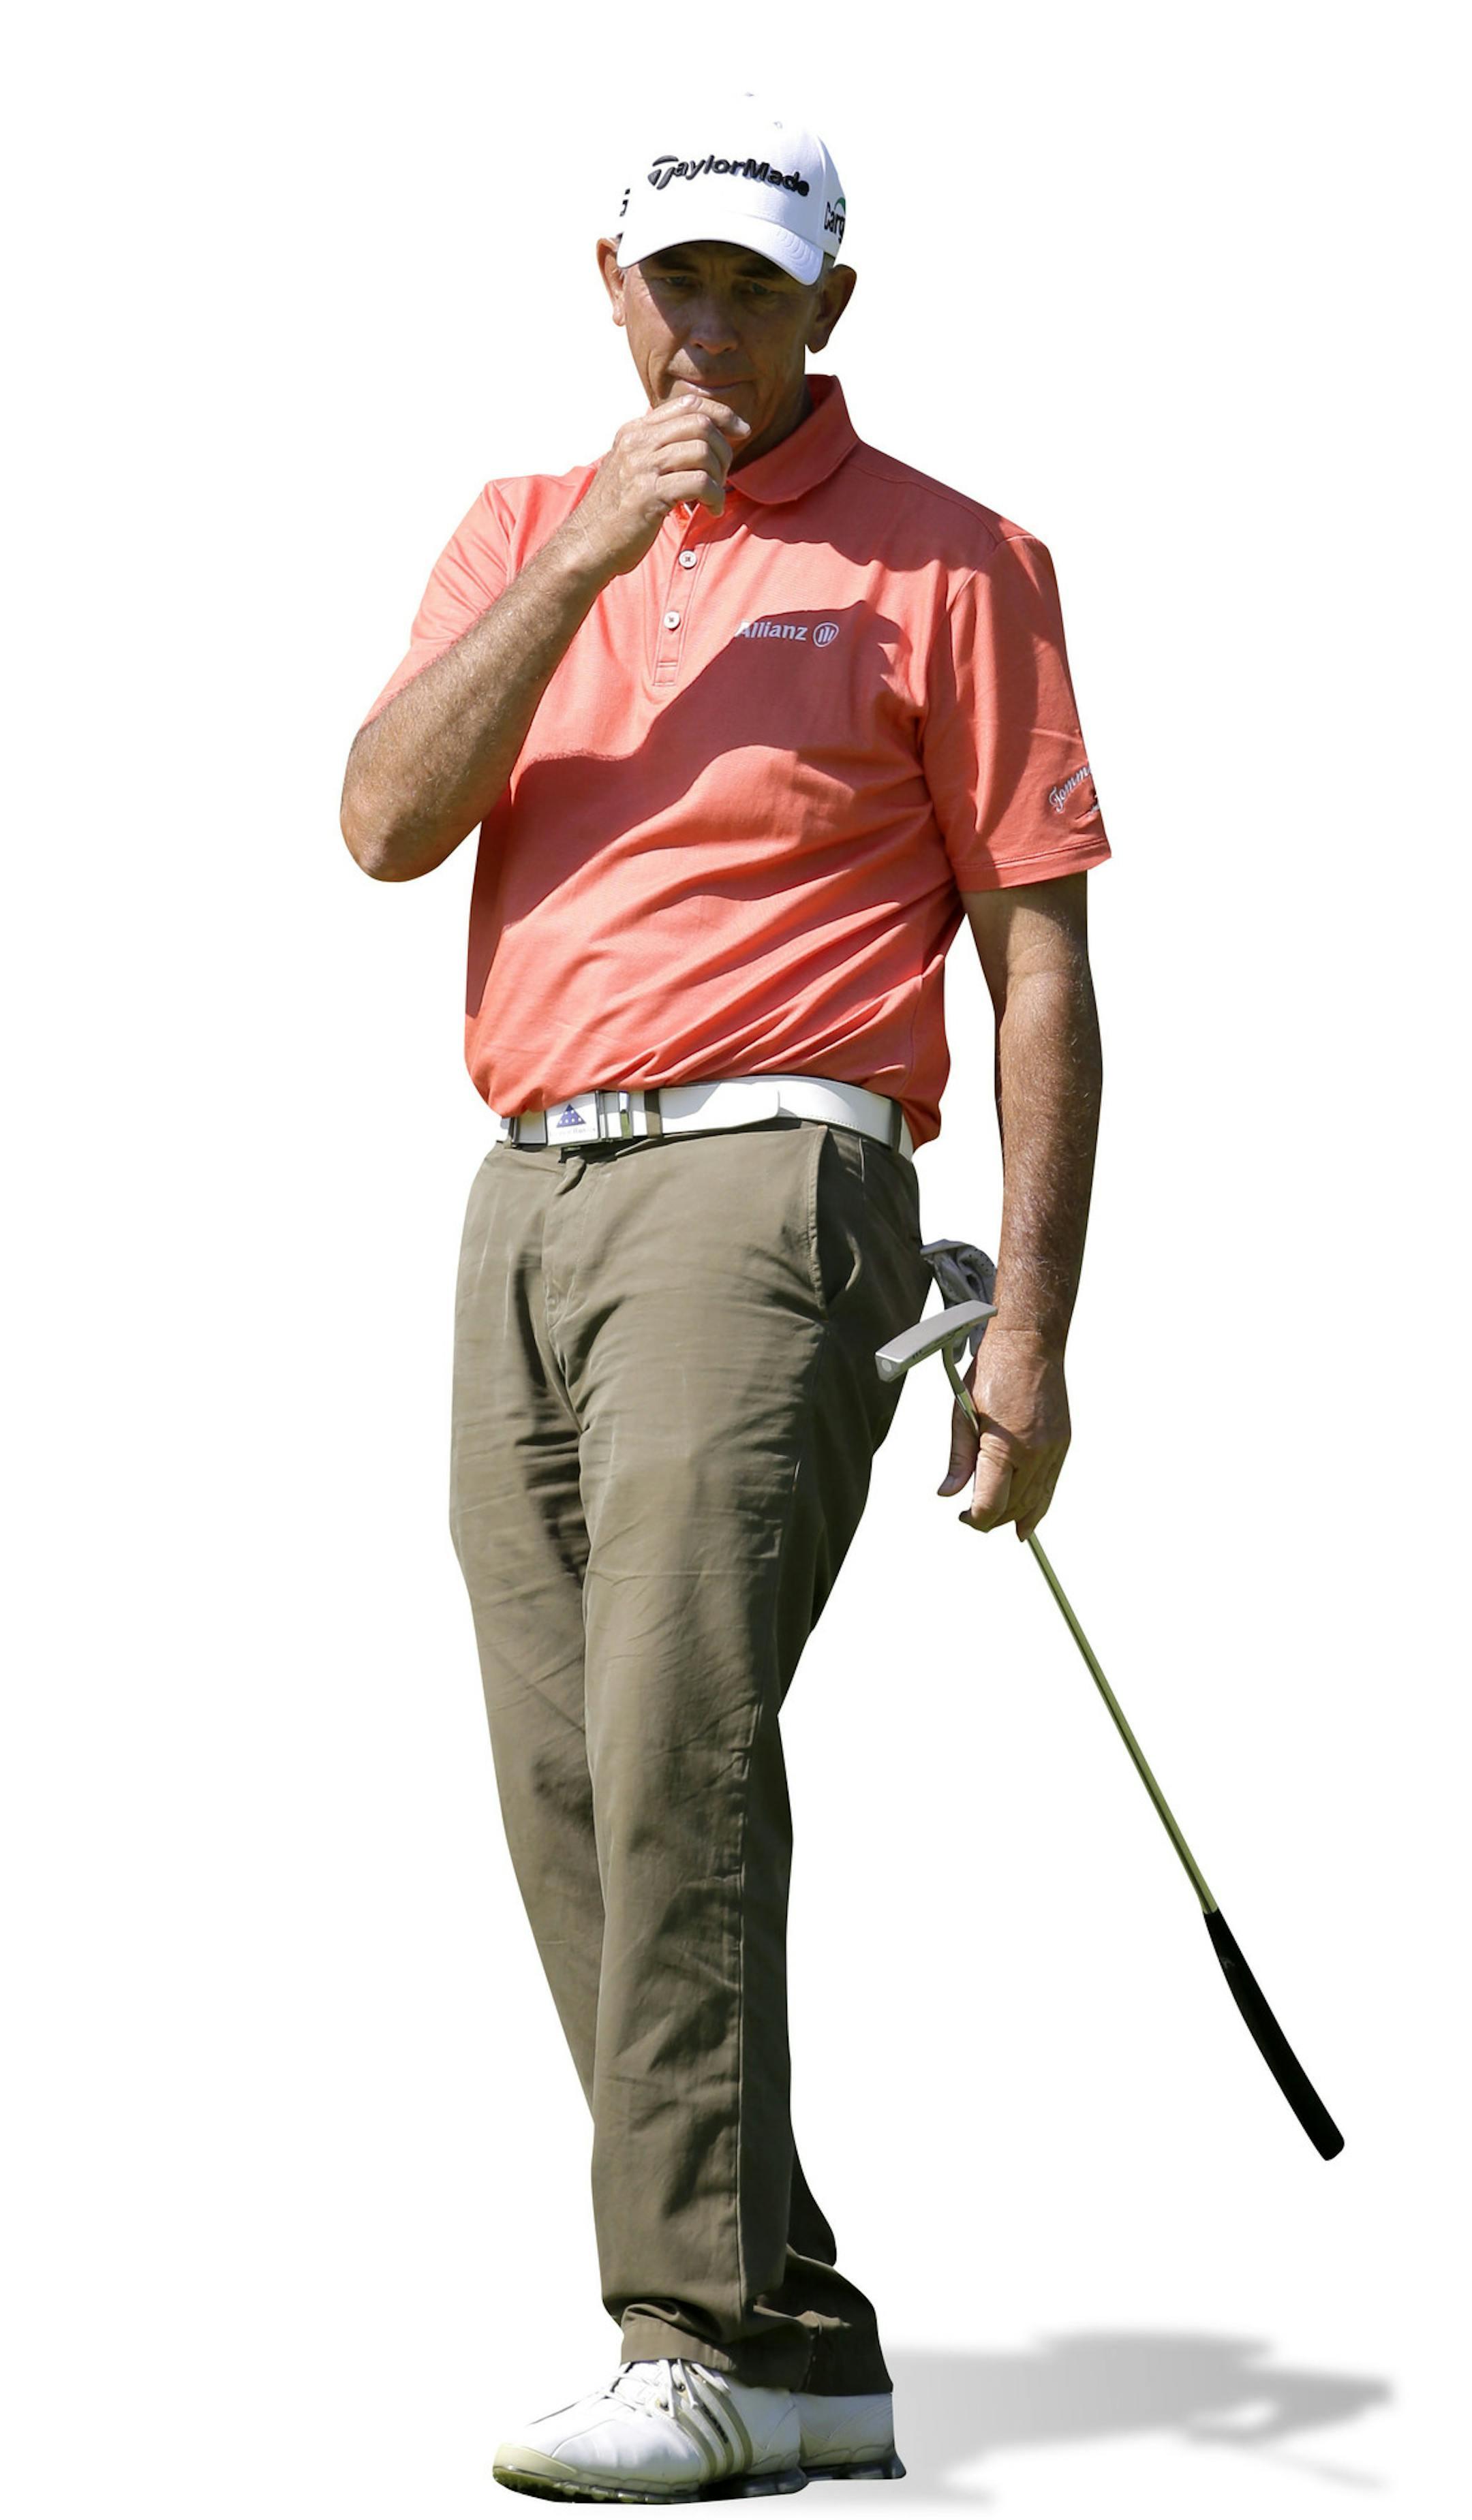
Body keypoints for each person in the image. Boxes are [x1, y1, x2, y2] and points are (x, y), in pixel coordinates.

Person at [340, 90, 1109, 2504]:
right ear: (611, 286)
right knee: (569, 1772)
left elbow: (1041, 958)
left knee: (674, 1734)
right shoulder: (514, 530)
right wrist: (584, 557)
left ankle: (686, 2333)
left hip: (778, 1184)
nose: (704, 321)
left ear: (832, 308)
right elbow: (380, 824)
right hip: (529, 1196)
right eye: (671, 279)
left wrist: (1035, 1324)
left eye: (753, 285)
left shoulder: (955, 562)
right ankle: (797, 2321)